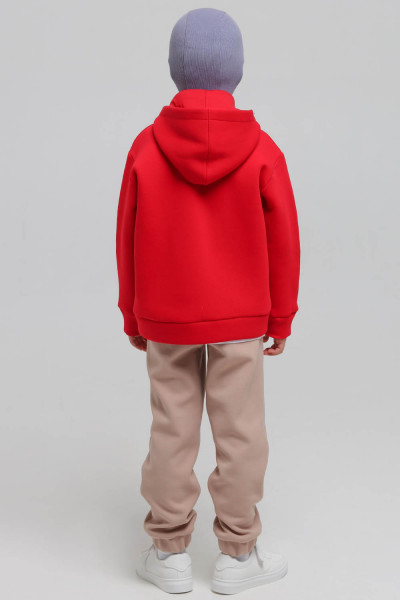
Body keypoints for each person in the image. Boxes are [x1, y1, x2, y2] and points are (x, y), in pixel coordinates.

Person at [116, 7, 300, 595]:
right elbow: (284, 239)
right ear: (237, 72)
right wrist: (280, 316)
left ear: (174, 69)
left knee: (171, 430)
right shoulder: (263, 149)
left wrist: (133, 311)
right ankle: (238, 556)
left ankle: (167, 553)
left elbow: (126, 233)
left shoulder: (145, 148)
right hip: (241, 318)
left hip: (167, 316)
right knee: (241, 432)